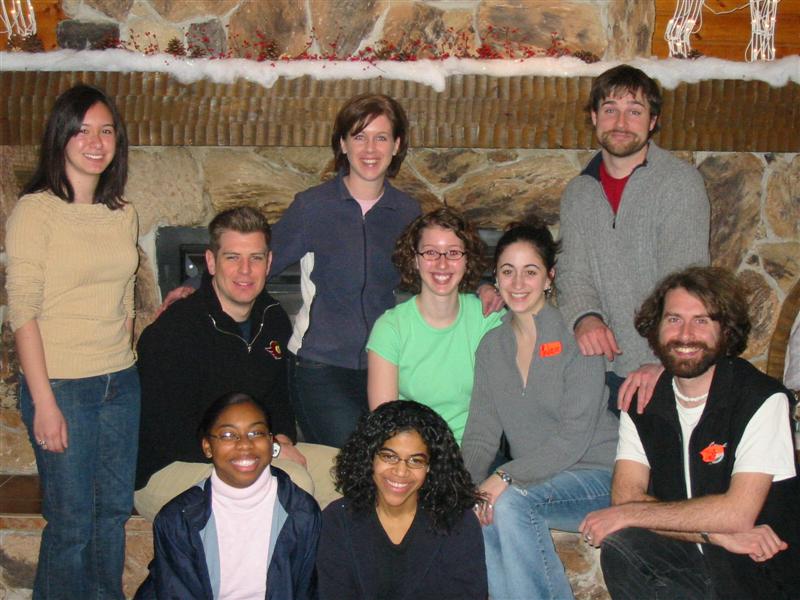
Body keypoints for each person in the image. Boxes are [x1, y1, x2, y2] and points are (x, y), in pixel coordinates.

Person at [159, 93, 421, 448]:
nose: (370, 149)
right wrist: (195, 284)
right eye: (359, 136)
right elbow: (261, 259)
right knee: (356, 457)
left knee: (389, 454)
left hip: (384, 363)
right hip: (320, 367)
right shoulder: (314, 207)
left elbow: (436, 270)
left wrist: (482, 288)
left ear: (397, 145)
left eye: (381, 137)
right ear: (343, 144)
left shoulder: (406, 212)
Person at [580, 266, 800, 599]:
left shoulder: (761, 399)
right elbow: (625, 496)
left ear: (725, 330)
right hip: (695, 566)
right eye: (673, 319)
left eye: (701, 320)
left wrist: (626, 513)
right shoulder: (642, 401)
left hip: (758, 576)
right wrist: (713, 534)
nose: (685, 335)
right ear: (656, 327)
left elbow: (737, 513)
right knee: (623, 546)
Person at [5, 84, 140, 599]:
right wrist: (44, 402)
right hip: (62, 385)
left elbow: (125, 297)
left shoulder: (122, 213)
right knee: (71, 523)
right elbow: (23, 311)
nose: (95, 142)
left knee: (112, 514)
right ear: (60, 137)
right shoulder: (35, 212)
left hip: (120, 383)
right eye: (82, 130)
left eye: (106, 131)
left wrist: (125, 349)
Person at [135, 206, 338, 521]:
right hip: (170, 469)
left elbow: (278, 401)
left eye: (255, 258)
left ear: (269, 262)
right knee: (290, 484)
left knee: (346, 471)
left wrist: (281, 438)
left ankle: (321, 555)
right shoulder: (174, 331)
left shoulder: (272, 318)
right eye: (232, 258)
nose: (245, 270)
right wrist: (269, 448)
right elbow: (169, 435)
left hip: (248, 451)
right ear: (211, 262)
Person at [461, 221, 618, 600]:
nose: (517, 283)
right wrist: (466, 489)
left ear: (550, 277)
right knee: (481, 512)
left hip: (599, 475)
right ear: (495, 277)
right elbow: (481, 434)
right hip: (538, 480)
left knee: (510, 502)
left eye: (530, 271)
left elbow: (573, 438)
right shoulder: (491, 348)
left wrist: (505, 476)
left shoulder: (577, 336)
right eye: (507, 271)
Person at [557, 64, 710, 413]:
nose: (621, 123)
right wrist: (585, 317)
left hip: (662, 370)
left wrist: (662, 361)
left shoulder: (680, 184)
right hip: (597, 368)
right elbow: (571, 271)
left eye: (635, 111)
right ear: (594, 117)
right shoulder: (578, 192)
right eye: (610, 110)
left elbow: (687, 286)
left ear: (653, 121)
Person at [136, 392, 320, 600]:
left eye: (256, 433)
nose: (245, 444)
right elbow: (176, 593)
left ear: (271, 442)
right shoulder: (178, 519)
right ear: (207, 447)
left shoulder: (301, 511)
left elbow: (304, 591)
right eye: (228, 435)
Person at [317, 400, 487, 600]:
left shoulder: (457, 521)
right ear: (369, 457)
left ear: (430, 466)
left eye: (416, 460)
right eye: (389, 457)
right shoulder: (338, 520)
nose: (400, 471)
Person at [367, 207, 503, 443]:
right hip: (412, 453)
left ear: (467, 260)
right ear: (415, 259)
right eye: (430, 252)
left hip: (475, 450)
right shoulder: (390, 328)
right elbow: (386, 426)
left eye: (453, 253)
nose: (442, 264)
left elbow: (504, 407)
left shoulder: (488, 319)